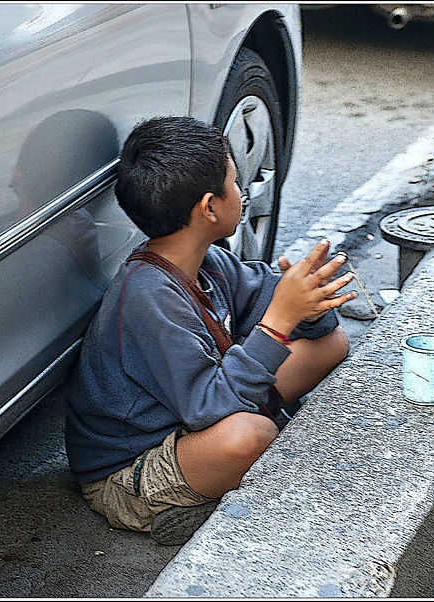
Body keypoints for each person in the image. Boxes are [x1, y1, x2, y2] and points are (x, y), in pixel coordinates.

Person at [64, 116, 358, 545]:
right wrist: (279, 319)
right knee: (249, 436)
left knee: (331, 344)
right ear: (210, 207)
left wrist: (309, 305)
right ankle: (170, 511)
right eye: (235, 183)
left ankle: (237, 468)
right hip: (130, 472)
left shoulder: (210, 263)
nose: (243, 192)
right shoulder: (147, 295)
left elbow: (302, 325)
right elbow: (209, 406)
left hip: (195, 418)